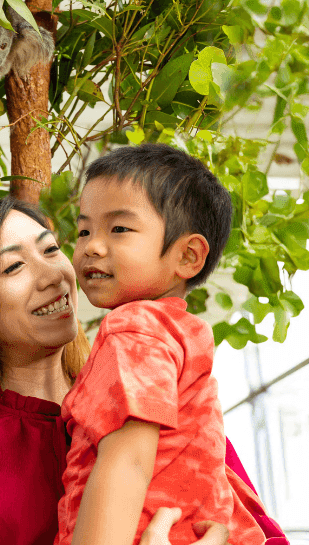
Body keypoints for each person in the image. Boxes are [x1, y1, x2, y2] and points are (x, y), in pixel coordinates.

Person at [0, 198, 281, 545]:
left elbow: (258, 528)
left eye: (51, 250)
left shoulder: (147, 389)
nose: (53, 275)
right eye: (14, 267)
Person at [59, 144, 270, 545]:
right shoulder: (180, 332)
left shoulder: (135, 329)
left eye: (119, 229)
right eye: (84, 230)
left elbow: (128, 463)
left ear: (188, 256)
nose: (92, 246)